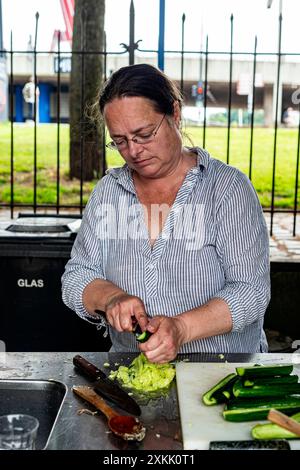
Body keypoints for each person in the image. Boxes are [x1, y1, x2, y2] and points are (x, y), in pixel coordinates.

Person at [62, 64, 270, 363]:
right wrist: (110, 298)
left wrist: (181, 329)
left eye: (144, 134)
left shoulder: (226, 189)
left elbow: (251, 292)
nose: (133, 151)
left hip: (221, 370)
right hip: (132, 368)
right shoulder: (109, 191)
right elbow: (77, 276)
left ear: (174, 113)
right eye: (119, 141)